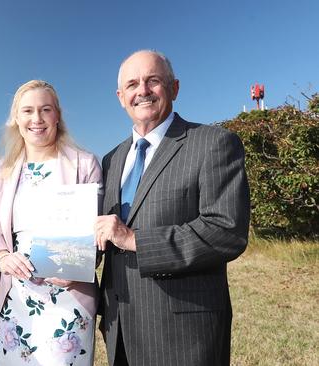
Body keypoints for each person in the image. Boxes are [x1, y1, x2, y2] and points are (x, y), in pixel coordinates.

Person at [94, 50, 250, 366]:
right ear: (120, 96)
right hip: (120, 328)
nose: (143, 91)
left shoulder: (213, 143)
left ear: (174, 88)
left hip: (183, 334)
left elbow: (226, 231)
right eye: (133, 84)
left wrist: (134, 239)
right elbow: (102, 234)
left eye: (154, 81)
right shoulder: (110, 160)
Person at [0, 80, 101, 366]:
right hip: (18, 297)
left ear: (57, 115)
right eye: (27, 111)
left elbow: (97, 233)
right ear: (16, 119)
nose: (36, 119)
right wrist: (1, 257)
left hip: (69, 298)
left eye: (45, 109)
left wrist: (78, 267)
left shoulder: (85, 163)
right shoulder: (2, 169)